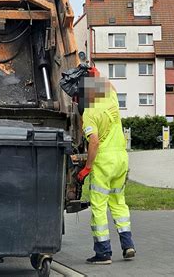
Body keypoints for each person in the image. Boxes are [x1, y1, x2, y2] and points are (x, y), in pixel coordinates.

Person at [61, 64, 136, 265]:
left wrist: (87, 168)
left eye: (78, 99)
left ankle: (103, 253)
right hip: (121, 159)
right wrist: (95, 74)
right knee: (119, 202)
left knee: (99, 206)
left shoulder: (90, 114)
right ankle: (128, 246)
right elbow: (109, 86)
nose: (77, 104)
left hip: (104, 162)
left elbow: (93, 141)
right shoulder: (110, 99)